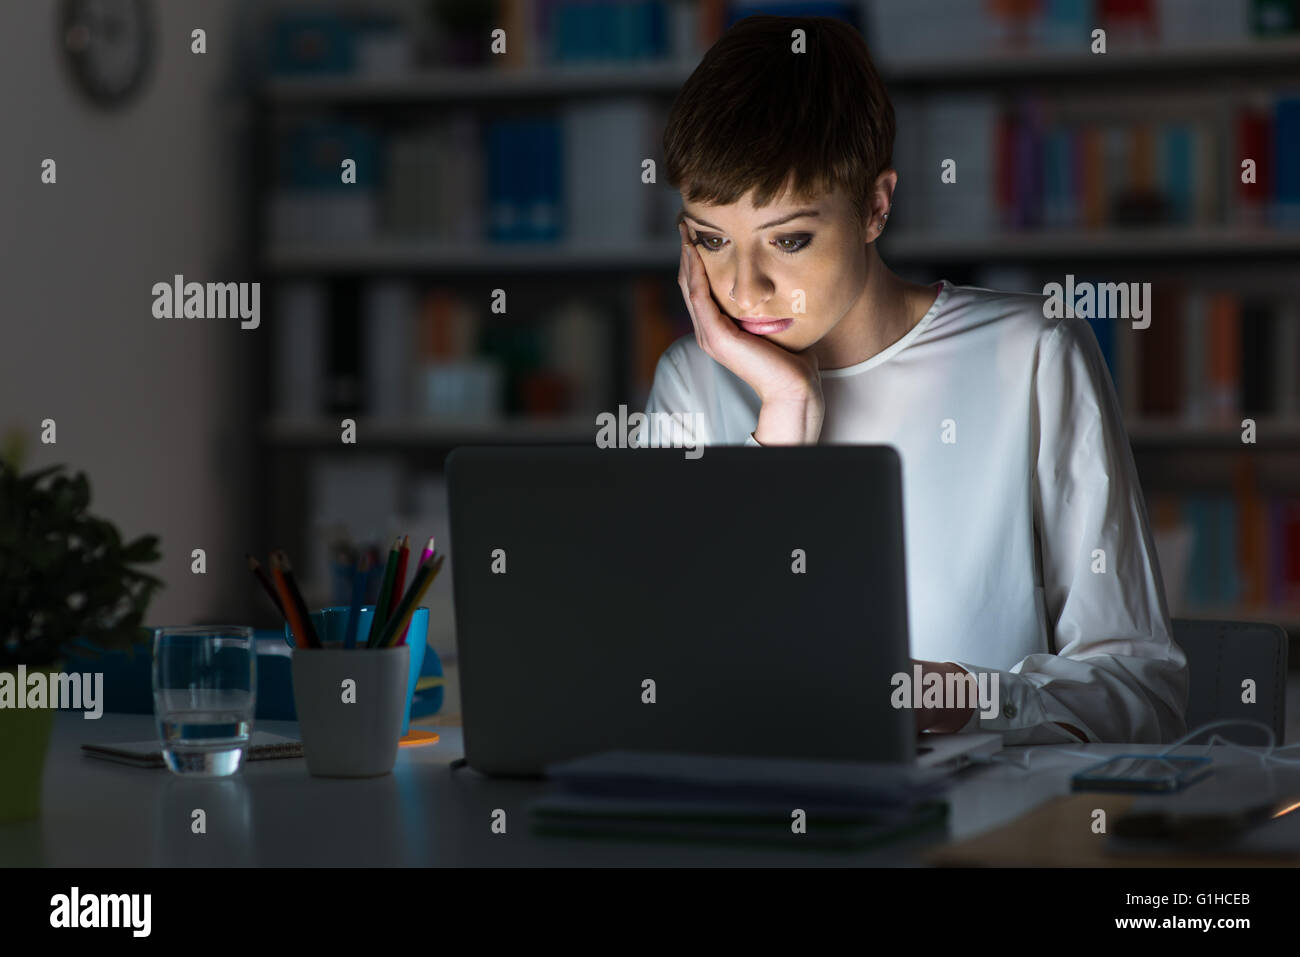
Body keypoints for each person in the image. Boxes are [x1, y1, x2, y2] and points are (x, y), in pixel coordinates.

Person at [642, 15, 1187, 745]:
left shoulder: (1033, 354)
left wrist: (971, 697)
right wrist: (784, 414)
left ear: (875, 205)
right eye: (711, 241)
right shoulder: (690, 383)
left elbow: (1142, 692)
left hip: (984, 836)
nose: (745, 288)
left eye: (790, 239)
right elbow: (659, 680)